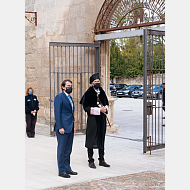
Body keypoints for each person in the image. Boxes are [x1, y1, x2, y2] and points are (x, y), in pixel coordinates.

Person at [80, 73, 110, 169]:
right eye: (95, 81)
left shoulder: (102, 91)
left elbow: (106, 103)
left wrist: (105, 109)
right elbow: (86, 108)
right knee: (91, 138)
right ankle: (91, 160)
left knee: (101, 138)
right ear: (91, 83)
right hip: (93, 119)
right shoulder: (88, 93)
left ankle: (101, 159)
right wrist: (98, 110)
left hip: (101, 119)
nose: (97, 83)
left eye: (98, 81)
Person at [54, 79, 78, 178]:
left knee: (68, 150)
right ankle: (61, 170)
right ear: (63, 87)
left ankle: (67, 168)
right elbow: (57, 113)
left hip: (70, 127)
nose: (70, 87)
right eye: (68, 85)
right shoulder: (59, 97)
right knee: (61, 150)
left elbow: (70, 114)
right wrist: (60, 127)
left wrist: (73, 126)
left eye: (71, 85)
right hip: (62, 128)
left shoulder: (70, 98)